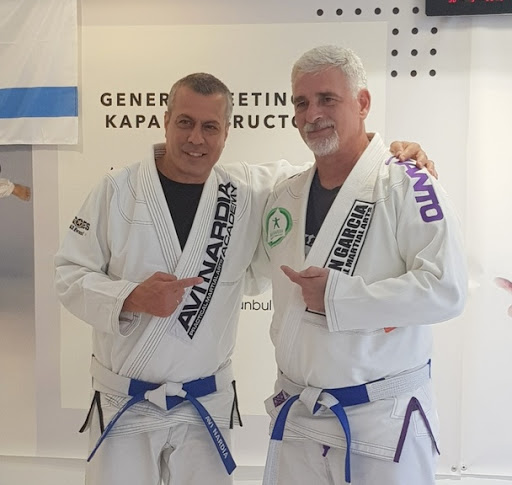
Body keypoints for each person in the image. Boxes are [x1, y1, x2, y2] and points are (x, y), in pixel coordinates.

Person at [54, 72, 435, 485]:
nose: (196, 138)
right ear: (165, 121)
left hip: (204, 404)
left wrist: (398, 163)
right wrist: (131, 297)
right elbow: (69, 274)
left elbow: (341, 168)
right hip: (123, 401)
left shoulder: (246, 190)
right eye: (185, 122)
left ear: (226, 132)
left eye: (210, 127)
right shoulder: (116, 190)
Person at [260, 46, 467, 485]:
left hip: (382, 425)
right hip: (300, 421)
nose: (312, 114)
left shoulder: (409, 182)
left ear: (363, 102)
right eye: (301, 102)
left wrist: (340, 298)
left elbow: (446, 288)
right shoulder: (285, 193)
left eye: (327, 99)